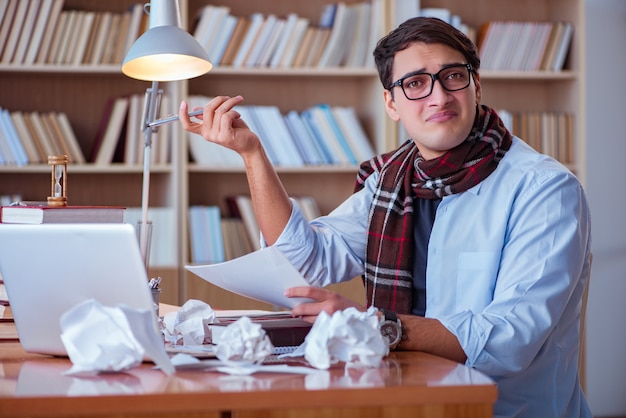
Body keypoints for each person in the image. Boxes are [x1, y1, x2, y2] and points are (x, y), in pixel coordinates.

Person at [179, 16, 592, 418]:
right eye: (415, 83)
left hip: (501, 409)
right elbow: (306, 262)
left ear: (476, 85)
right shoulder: (390, 182)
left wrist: (378, 325)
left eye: (452, 76)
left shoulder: (545, 190)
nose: (439, 97)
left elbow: (510, 338)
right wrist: (252, 154)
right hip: (402, 396)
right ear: (391, 104)